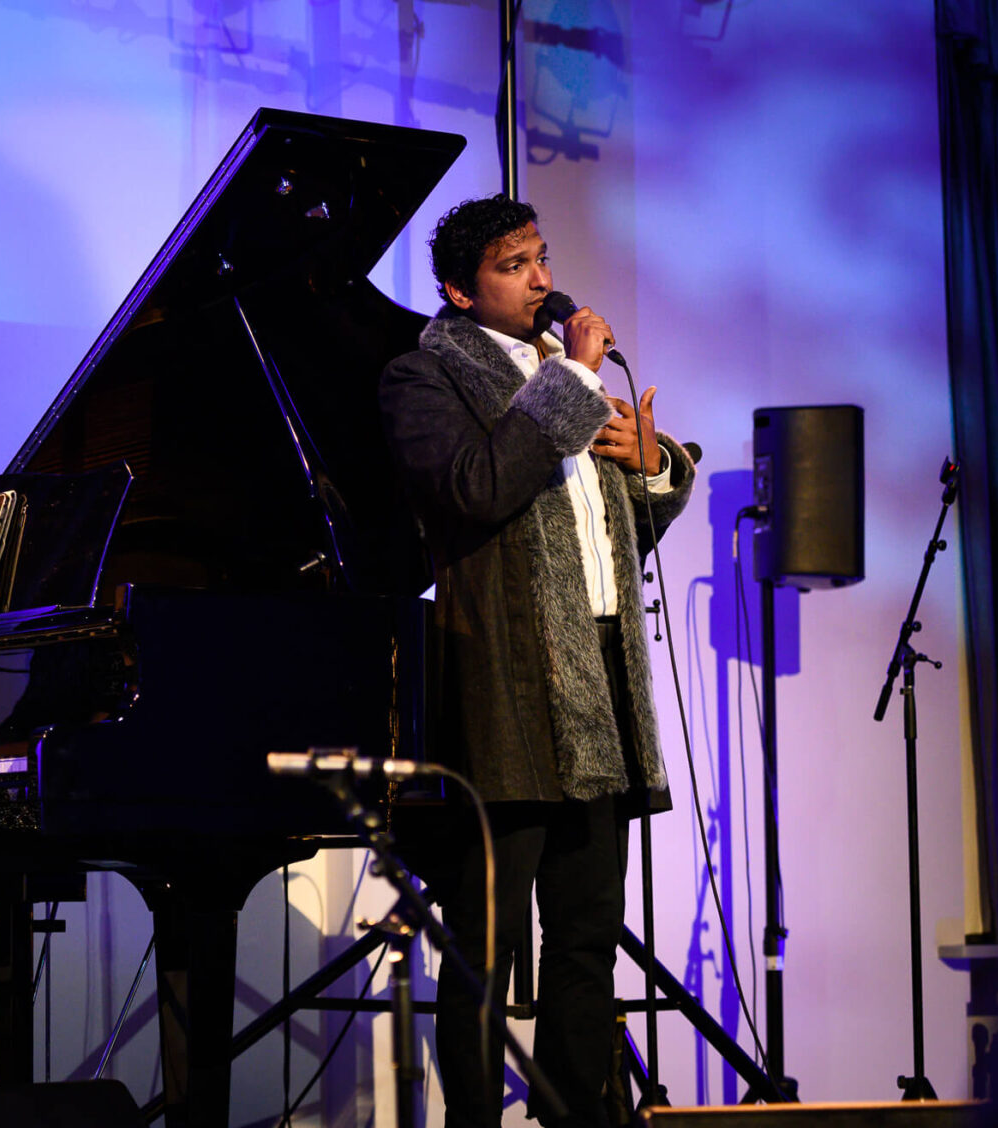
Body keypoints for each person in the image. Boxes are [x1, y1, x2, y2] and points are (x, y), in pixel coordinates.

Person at [378, 195, 694, 1128]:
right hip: (505, 684)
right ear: (458, 289)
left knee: (588, 935)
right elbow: (477, 489)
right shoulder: (425, 376)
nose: (543, 281)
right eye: (515, 265)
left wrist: (655, 465)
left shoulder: (570, 378)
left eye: (542, 258)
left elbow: (612, 531)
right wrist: (575, 387)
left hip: (600, 674)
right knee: (485, 943)